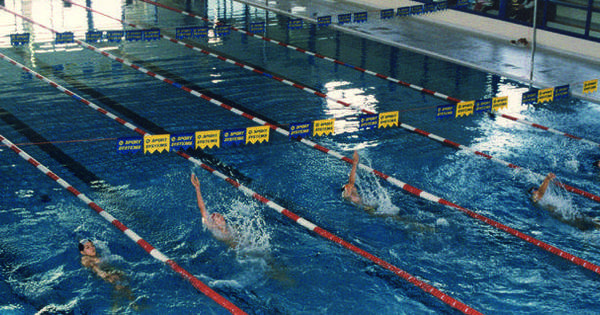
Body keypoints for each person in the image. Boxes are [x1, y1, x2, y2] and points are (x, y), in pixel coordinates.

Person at [529, 173, 600, 230]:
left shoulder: (545, 197)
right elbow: (540, 194)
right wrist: (547, 179)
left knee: (585, 218)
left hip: (563, 212)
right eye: (534, 190)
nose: (536, 190)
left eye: (536, 188)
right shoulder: (534, 199)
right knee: (581, 224)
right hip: (559, 215)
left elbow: (541, 192)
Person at [79, 239, 136, 308]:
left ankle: (132, 303)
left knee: (124, 284)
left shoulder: (96, 255)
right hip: (104, 274)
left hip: (110, 270)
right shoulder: (86, 259)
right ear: (82, 252)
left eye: (92, 245)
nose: (92, 248)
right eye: (88, 247)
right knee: (119, 286)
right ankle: (117, 308)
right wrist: (101, 273)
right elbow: (92, 266)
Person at [191, 173, 237, 247]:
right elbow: (202, 208)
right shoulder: (214, 228)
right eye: (218, 216)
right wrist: (197, 188)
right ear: (214, 223)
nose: (222, 217)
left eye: (220, 215)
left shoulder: (232, 227)